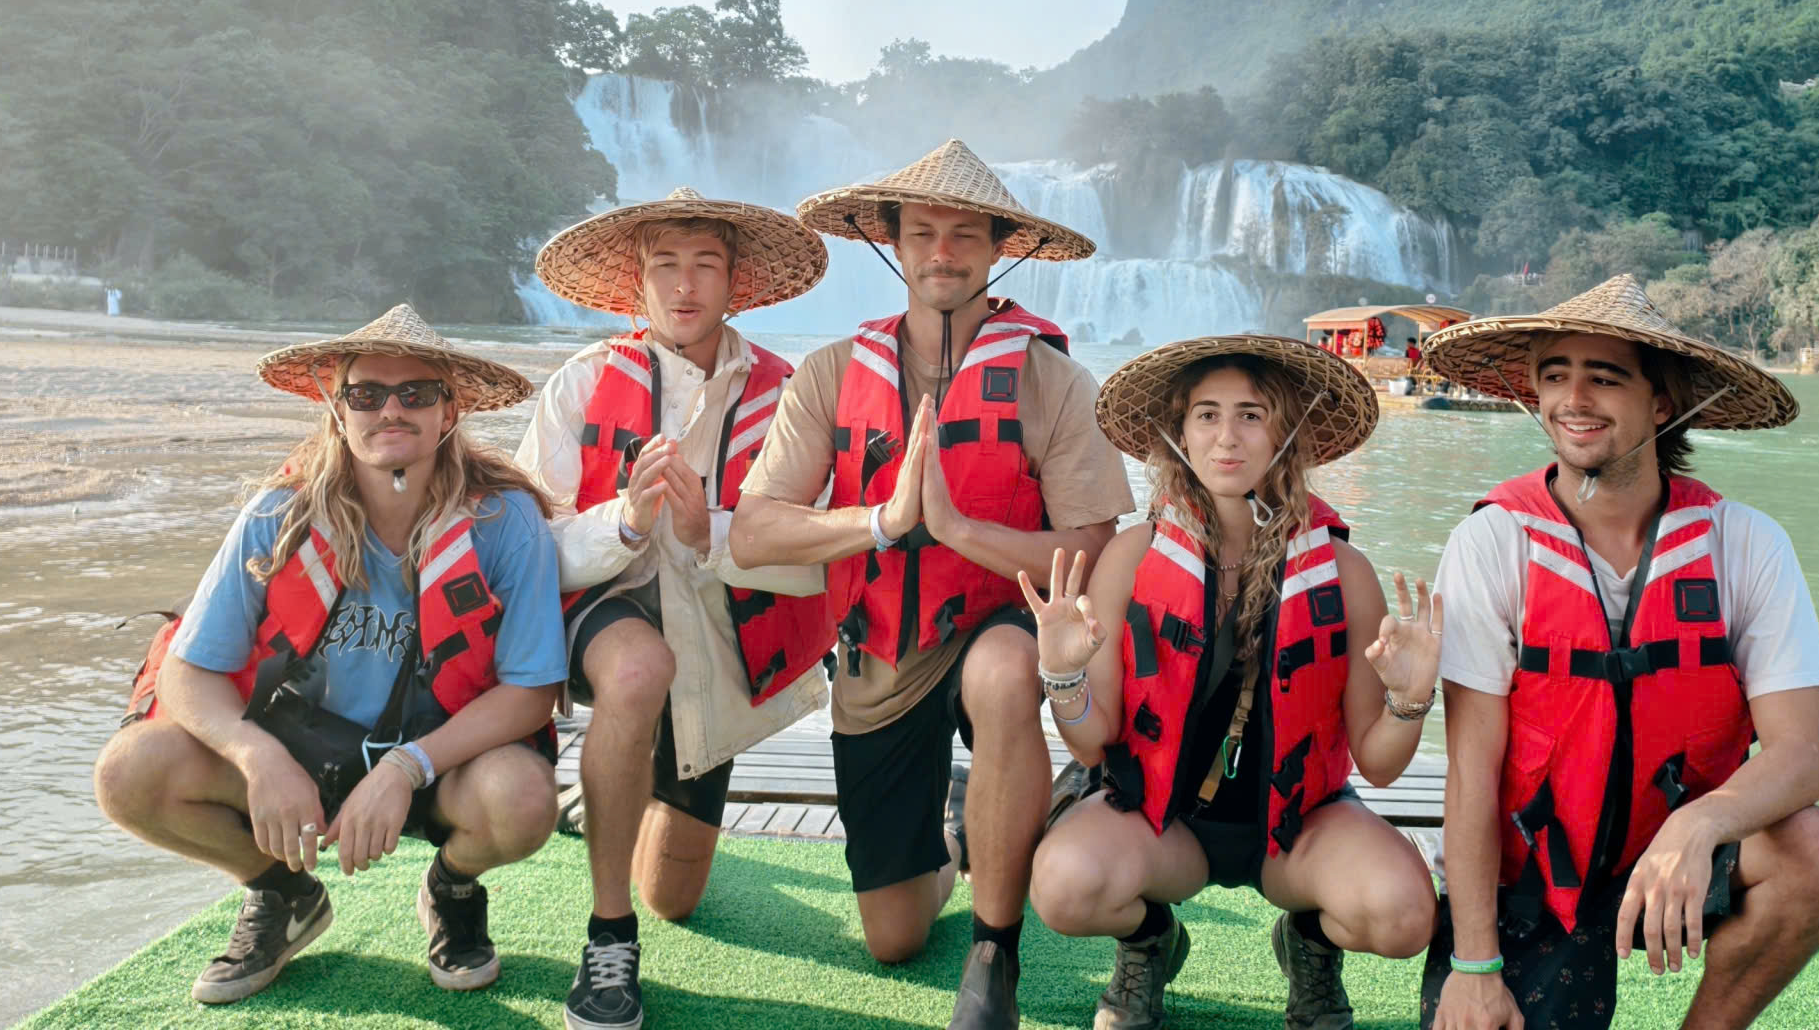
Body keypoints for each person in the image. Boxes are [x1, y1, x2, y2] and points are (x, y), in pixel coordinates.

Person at [731, 140, 1134, 1030]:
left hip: (999, 623)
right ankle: (971, 828)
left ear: (997, 250)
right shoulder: (833, 373)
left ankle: (996, 951)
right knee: (893, 935)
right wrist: (881, 521)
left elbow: (1097, 550)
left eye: (964, 235)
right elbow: (756, 531)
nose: (942, 252)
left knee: (1001, 678)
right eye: (923, 233)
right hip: (880, 647)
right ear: (894, 244)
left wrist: (960, 531)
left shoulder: (1054, 381)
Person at [1414, 276, 1819, 1030]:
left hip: (1677, 852)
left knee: (1817, 850)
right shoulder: (1493, 542)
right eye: (1555, 375)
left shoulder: (1744, 544)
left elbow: (1801, 757)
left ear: (1661, 403)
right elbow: (1473, 773)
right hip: (1534, 877)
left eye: (1605, 377)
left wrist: (1698, 825)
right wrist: (1475, 966)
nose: (1573, 399)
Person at [95, 306, 567, 1005]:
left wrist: (409, 767)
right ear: (338, 410)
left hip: (439, 760)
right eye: (367, 394)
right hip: (300, 757)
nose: (391, 411)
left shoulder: (505, 521)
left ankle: (452, 886)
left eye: (417, 393)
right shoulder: (276, 514)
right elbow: (187, 671)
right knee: (129, 773)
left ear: (450, 410)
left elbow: (530, 692)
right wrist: (257, 757)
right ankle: (283, 892)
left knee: (525, 802)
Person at [1027, 335, 1442, 1030]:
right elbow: (1095, 740)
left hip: (1297, 830)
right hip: (1165, 825)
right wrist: (1062, 673)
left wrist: (1412, 696)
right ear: (1180, 434)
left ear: (1286, 434)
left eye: (1251, 415)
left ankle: (1308, 945)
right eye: (1207, 415)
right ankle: (1149, 943)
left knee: (1403, 916)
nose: (1227, 437)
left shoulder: (1343, 572)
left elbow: (1380, 763)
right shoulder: (1132, 557)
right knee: (1064, 888)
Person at [517, 187, 836, 1030]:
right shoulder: (580, 382)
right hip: (608, 611)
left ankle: (613, 800)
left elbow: (816, 541)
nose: (685, 287)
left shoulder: (791, 392)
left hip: (724, 636)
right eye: (666, 267)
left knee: (679, 898)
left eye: (706, 266)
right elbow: (527, 547)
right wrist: (625, 522)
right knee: (637, 669)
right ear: (637, 284)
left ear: (737, 283)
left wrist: (710, 530)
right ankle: (606, 934)